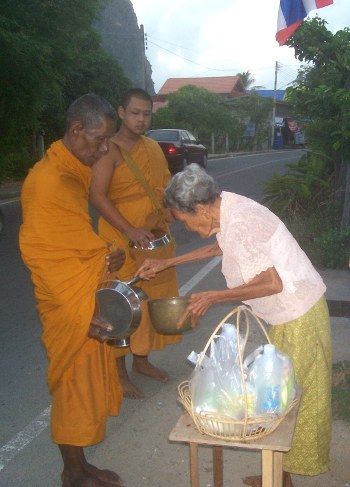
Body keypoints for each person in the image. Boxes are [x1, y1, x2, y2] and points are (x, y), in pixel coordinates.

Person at [137, 164, 332, 487]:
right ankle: (278, 474)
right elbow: (221, 246)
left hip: (299, 313)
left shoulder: (240, 219)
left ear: (200, 208)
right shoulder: (226, 207)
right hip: (289, 313)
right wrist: (167, 262)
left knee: (287, 400)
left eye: (185, 220)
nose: (187, 227)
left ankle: (281, 479)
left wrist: (216, 296)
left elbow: (272, 283)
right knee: (279, 395)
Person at [19, 94, 127, 487]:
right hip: (68, 303)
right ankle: (71, 472)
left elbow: (76, 238)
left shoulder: (72, 169)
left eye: (106, 143)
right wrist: (79, 310)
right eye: (98, 141)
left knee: (83, 386)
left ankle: (81, 465)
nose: (101, 151)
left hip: (84, 291)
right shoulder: (45, 182)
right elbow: (42, 256)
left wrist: (106, 257)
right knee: (70, 385)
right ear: (76, 129)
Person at [90, 88, 181, 399]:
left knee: (150, 302)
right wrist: (129, 229)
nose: (141, 119)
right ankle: (120, 374)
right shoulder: (108, 150)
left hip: (153, 240)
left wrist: (170, 213)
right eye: (135, 113)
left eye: (146, 113)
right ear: (120, 112)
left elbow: (164, 188)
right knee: (123, 306)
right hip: (120, 241)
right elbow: (98, 196)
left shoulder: (153, 148)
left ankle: (142, 361)